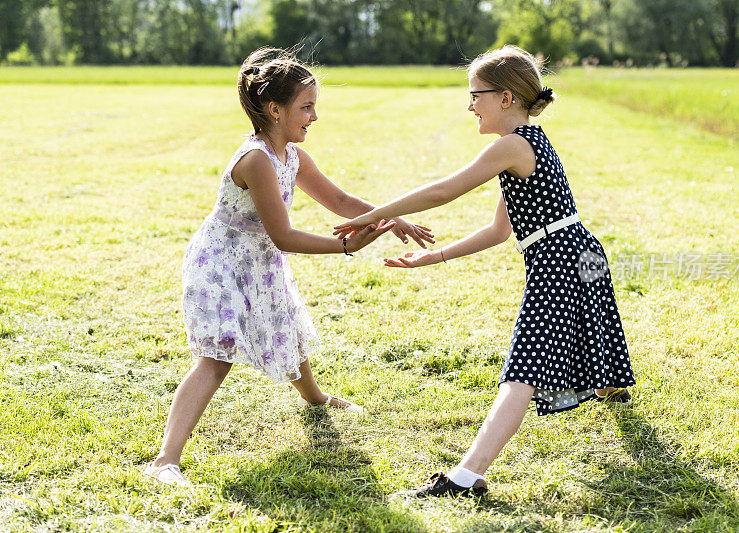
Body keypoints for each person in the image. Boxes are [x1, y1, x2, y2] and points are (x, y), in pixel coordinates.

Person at [334, 45, 635, 498]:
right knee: (591, 338)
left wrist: (370, 215)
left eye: (476, 95)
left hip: (561, 262)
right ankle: (611, 390)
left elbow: (442, 192)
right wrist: (433, 257)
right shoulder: (528, 145)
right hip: (582, 253)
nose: (470, 104)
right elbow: (500, 230)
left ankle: (466, 475)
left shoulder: (510, 146)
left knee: (525, 369)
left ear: (506, 98)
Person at [144, 47, 433, 486]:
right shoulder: (257, 159)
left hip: (258, 259)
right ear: (274, 109)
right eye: (307, 107)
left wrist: (391, 215)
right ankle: (166, 460)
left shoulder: (291, 156)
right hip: (222, 262)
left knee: (286, 327)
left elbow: (338, 201)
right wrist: (348, 248)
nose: (314, 116)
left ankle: (315, 399)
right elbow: (284, 237)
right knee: (216, 358)